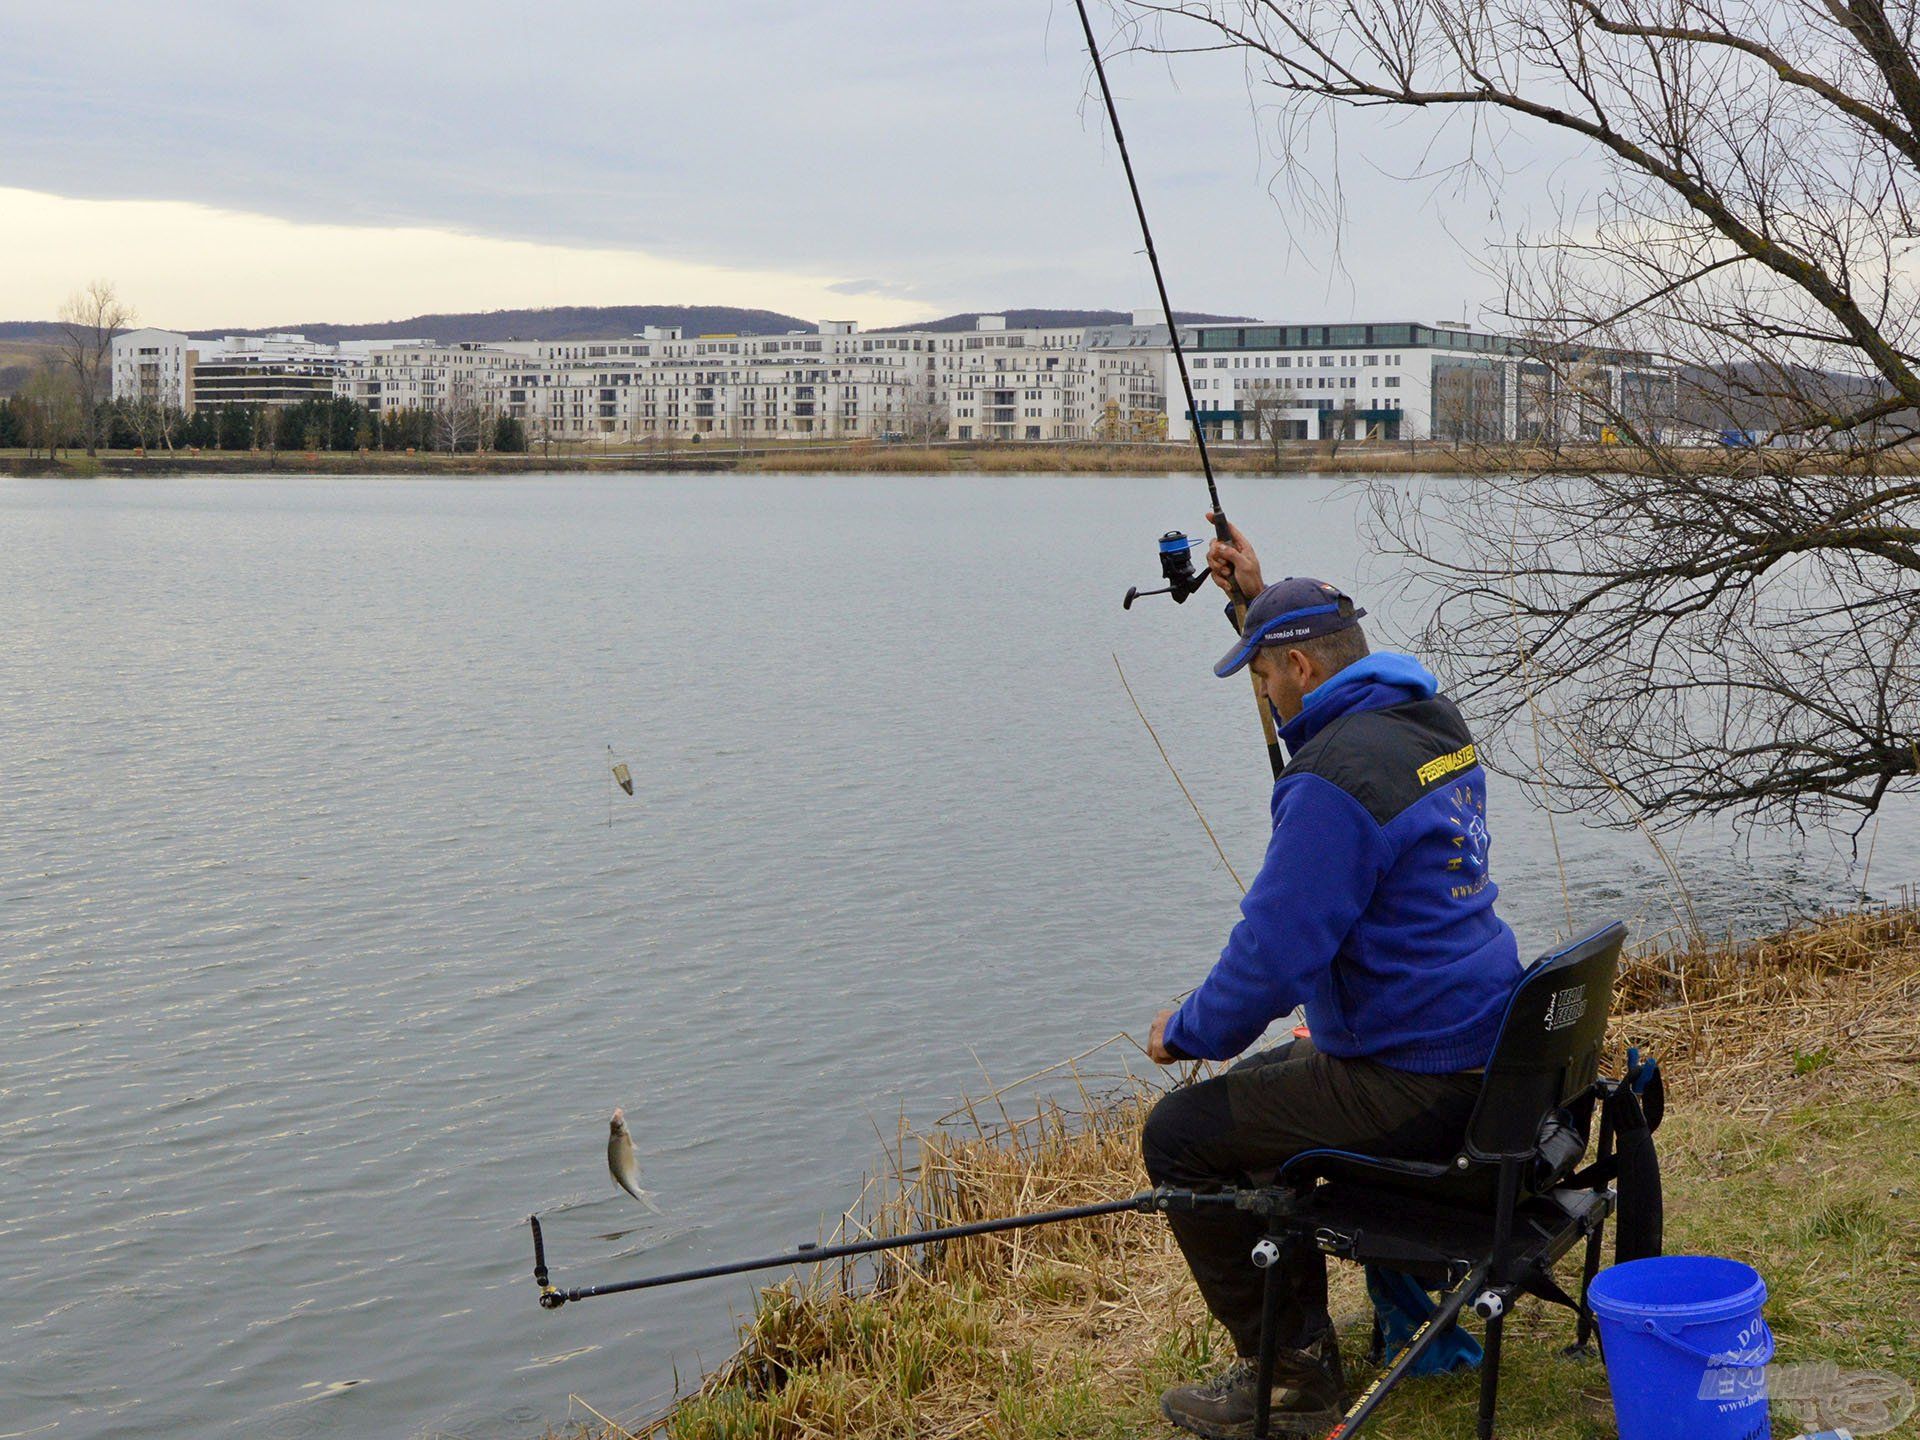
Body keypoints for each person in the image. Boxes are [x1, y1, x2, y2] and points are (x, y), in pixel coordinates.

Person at [1145, 516, 1524, 1439]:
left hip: (1419, 1079)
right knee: (1265, 1093)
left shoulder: (1334, 783)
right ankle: (1302, 1339)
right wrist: (1251, 602)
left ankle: (1291, 1376)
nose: (1265, 696)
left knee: (1185, 1133)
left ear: (1304, 672)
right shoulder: (1427, 720)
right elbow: (1314, 759)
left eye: (1266, 675)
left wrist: (1186, 1031)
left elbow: (1274, 955)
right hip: (1488, 1047)